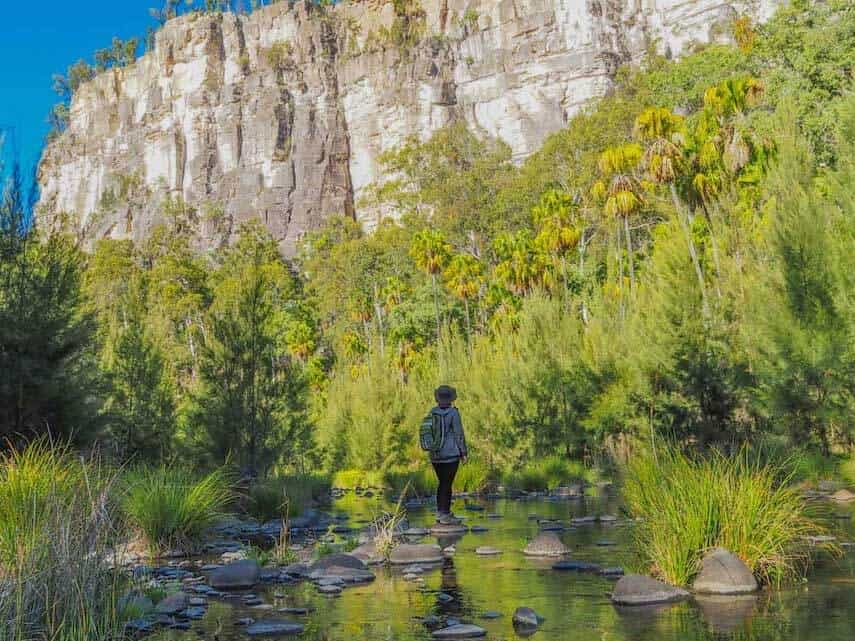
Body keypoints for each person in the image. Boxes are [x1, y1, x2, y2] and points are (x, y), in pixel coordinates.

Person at [429, 385, 468, 525]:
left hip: (435, 456)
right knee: (447, 484)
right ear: (451, 398)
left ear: (438, 398)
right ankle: (445, 514)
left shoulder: (432, 412)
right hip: (450, 455)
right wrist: (464, 452)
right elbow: (459, 434)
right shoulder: (453, 413)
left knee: (442, 483)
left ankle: (440, 512)